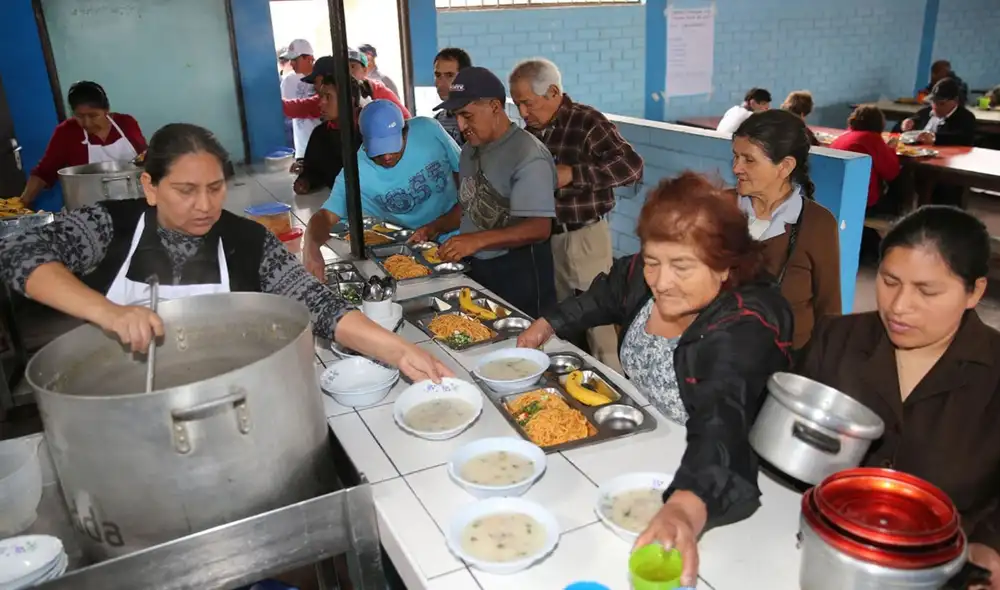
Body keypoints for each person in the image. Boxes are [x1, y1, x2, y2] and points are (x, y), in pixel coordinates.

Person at [0, 123, 450, 383]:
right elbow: (17, 250)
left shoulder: (246, 241)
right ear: (149, 187)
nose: (204, 205)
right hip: (123, 408)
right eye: (185, 190)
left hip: (229, 401)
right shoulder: (109, 225)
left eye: (215, 189)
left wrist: (396, 351)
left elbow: (319, 305)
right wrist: (107, 313)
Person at [517, 172, 794, 587]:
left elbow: (723, 415)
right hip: (643, 456)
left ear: (725, 265)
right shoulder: (639, 276)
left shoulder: (747, 321)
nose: (661, 282)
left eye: (682, 266)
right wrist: (545, 325)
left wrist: (687, 504)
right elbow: (606, 293)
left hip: (719, 483)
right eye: (652, 261)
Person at [797, 206, 1000, 584]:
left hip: (942, 572)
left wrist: (991, 544)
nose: (899, 306)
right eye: (890, 281)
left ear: (975, 292)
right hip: (826, 554)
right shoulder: (837, 341)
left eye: (927, 290)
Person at [509, 58, 644, 373]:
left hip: (586, 238)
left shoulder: (586, 122)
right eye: (517, 105)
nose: (523, 113)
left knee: (600, 323)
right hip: (547, 239)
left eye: (527, 103)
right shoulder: (529, 134)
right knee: (560, 320)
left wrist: (574, 174)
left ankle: (616, 386)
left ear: (553, 92)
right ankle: (572, 380)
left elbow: (632, 167)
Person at [412, 67, 557, 319]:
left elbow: (539, 228)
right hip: (478, 266)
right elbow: (470, 205)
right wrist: (436, 227)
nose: (460, 125)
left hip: (520, 273)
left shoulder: (527, 154)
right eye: (456, 116)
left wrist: (477, 240)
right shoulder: (470, 149)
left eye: (467, 115)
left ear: (494, 107)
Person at [303, 100, 460, 279]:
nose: (386, 156)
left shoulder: (429, 131)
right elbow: (324, 217)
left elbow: (467, 178)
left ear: (405, 132)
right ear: (363, 142)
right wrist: (311, 248)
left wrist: (440, 225)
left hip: (460, 233)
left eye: (393, 147)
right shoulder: (357, 171)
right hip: (415, 252)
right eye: (378, 150)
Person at [732, 109, 841, 350]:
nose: (736, 168)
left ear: (785, 166)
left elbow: (829, 308)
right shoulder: (718, 208)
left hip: (786, 364)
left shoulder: (818, 224)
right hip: (719, 358)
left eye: (748, 159)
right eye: (735, 156)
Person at [20, 81, 146, 211]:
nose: (87, 123)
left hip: (136, 204)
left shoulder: (126, 124)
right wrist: (22, 203)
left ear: (106, 110)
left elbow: (145, 158)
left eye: (93, 115)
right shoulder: (67, 132)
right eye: (79, 116)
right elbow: (44, 172)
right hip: (90, 210)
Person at [292, 75, 371, 196]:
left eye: (328, 97)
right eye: (321, 96)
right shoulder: (320, 134)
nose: (321, 103)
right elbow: (315, 170)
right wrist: (306, 181)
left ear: (349, 100)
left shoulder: (370, 129)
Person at [282, 53, 410, 122]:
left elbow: (406, 121)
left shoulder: (375, 90)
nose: (315, 87)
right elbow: (298, 107)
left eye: (317, 81)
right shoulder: (325, 102)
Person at [830, 105, 901, 209]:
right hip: (863, 203)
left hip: (835, 198)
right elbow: (891, 172)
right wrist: (890, 149)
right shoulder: (872, 139)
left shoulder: (842, 137)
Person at [901, 78, 977, 147]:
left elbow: (962, 138)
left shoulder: (966, 117)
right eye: (933, 102)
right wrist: (908, 122)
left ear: (955, 101)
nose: (936, 107)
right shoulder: (926, 111)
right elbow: (915, 119)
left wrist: (935, 138)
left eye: (941, 104)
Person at [279, 39, 320, 159]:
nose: (291, 64)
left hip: (322, 147)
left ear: (309, 58)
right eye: (290, 60)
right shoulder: (288, 81)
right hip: (302, 151)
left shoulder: (323, 79)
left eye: (295, 60)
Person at [433, 48, 473, 145]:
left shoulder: (481, 116)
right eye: (438, 75)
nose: (441, 83)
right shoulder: (438, 120)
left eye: (449, 75)